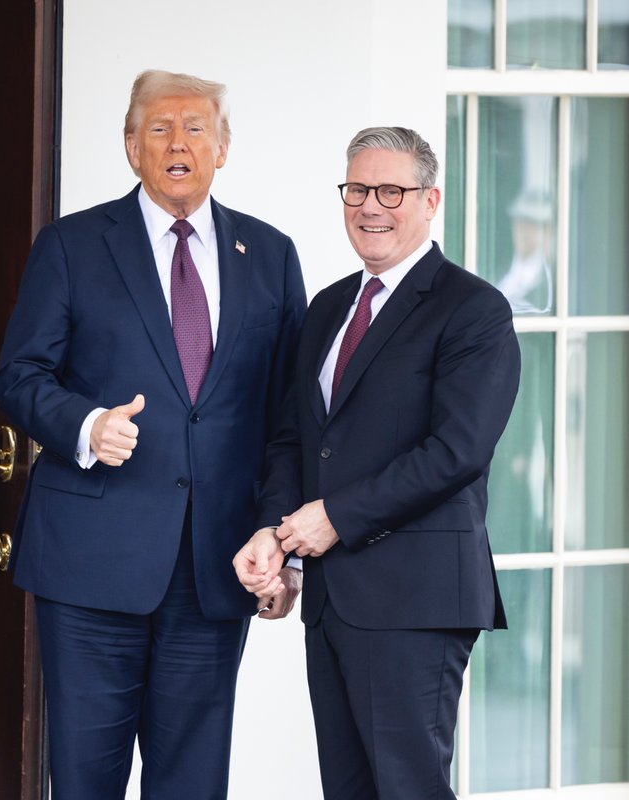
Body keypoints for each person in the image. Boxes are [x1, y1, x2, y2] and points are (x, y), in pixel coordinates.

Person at [0, 69, 306, 799]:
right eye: (158, 128)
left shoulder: (270, 255)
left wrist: (278, 542)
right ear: (130, 146)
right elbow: (19, 373)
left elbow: (286, 422)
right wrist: (86, 424)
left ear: (223, 148)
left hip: (216, 567)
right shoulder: (71, 245)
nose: (177, 143)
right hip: (91, 568)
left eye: (196, 128)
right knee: (86, 778)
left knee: (191, 782)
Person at [235, 126, 521, 799]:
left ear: (429, 200)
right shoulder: (329, 306)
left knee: (408, 788)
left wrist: (334, 518)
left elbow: (456, 452)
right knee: (349, 790)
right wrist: (277, 539)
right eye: (357, 189)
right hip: (333, 600)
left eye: (390, 190)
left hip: (414, 599)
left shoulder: (473, 310)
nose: (370, 206)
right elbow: (291, 439)